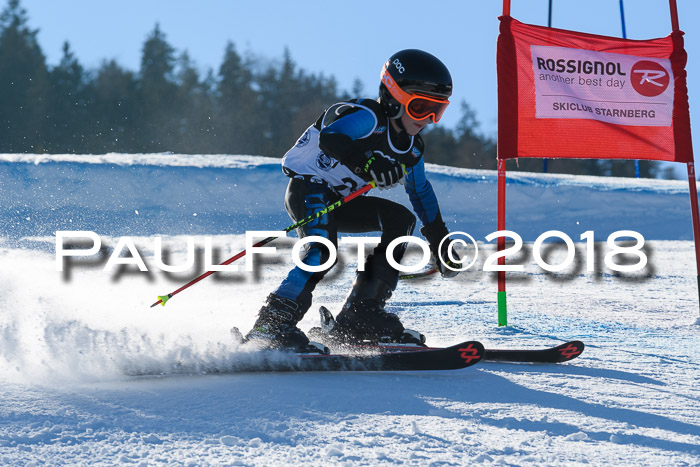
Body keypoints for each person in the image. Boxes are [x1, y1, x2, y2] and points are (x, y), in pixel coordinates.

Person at [245, 49, 462, 351]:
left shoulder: (411, 149)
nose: (427, 119)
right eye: (420, 107)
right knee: (322, 251)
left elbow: (420, 191)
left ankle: (361, 315)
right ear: (393, 96)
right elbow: (333, 138)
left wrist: (440, 239)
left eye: (436, 111)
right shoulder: (368, 117)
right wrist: (369, 164)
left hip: (341, 202)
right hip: (309, 189)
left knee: (401, 220)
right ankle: (271, 326)